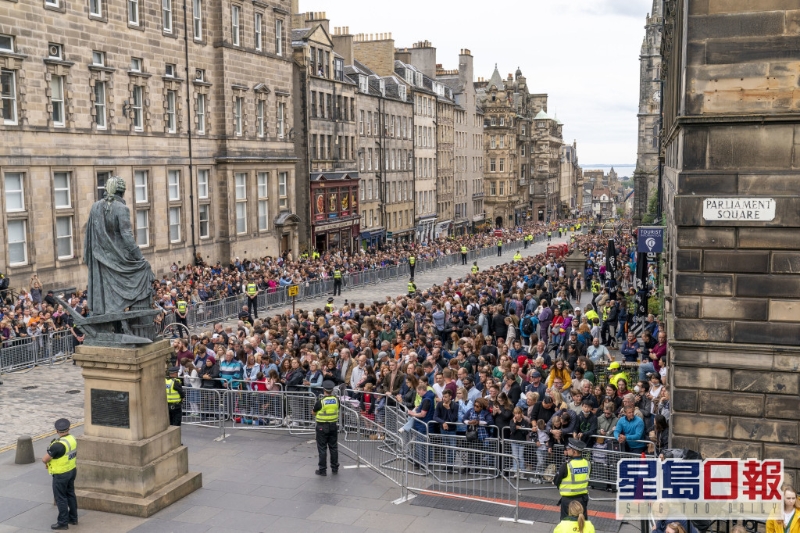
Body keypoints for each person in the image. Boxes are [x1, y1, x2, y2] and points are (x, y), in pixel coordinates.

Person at [42, 418, 78, 530]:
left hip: (61, 474)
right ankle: (73, 518)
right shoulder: (72, 439)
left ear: (57, 430)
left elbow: (45, 459)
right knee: (71, 494)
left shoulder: (57, 445)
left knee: (61, 498)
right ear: (69, 429)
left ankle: (63, 522)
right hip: (71, 470)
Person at [554, 438, 590, 520]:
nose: (567, 450)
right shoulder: (588, 463)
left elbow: (556, 481)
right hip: (582, 499)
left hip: (568, 500)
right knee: (582, 522)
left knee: (566, 524)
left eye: (569, 449)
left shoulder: (566, 465)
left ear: (574, 451)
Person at [313, 380, 340, 476]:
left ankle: (322, 470)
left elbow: (314, 412)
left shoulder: (321, 402)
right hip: (333, 425)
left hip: (322, 426)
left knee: (322, 448)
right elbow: (338, 409)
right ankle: (335, 468)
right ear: (332, 390)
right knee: (333, 447)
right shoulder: (336, 400)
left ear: (324, 390)